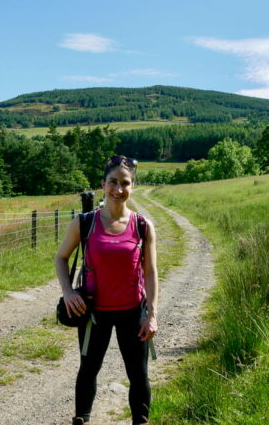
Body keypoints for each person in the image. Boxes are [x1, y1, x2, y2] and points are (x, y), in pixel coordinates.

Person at [54, 155, 159, 425]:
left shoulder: (142, 225)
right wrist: (68, 292)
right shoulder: (85, 222)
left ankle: (141, 421)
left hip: (133, 311)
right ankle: (82, 420)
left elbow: (150, 272)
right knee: (88, 370)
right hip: (93, 314)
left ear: (132, 186)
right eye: (112, 182)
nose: (118, 189)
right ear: (103, 184)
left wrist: (152, 315)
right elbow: (61, 257)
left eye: (125, 183)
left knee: (138, 374)